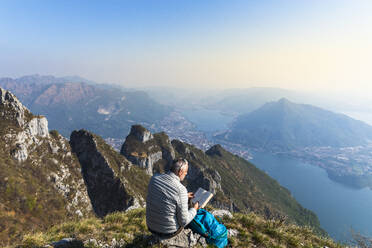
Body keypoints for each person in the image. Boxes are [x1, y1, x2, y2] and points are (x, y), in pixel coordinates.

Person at [146, 158, 199, 237]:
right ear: (180, 172)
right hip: (167, 232)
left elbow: (165, 193)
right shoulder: (180, 189)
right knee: (190, 218)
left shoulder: (154, 178)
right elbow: (183, 222)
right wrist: (194, 209)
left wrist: (184, 196)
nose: (186, 174)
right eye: (185, 172)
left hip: (151, 227)